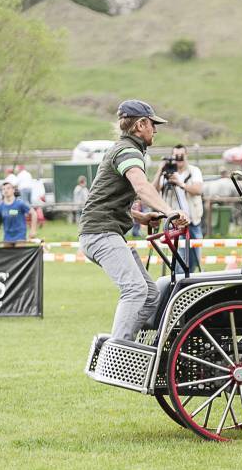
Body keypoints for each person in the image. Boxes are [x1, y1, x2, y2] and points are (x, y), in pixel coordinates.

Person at [78, 100, 190, 341]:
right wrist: (170, 211)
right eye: (152, 124)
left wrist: (140, 217)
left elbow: (105, 201)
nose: (155, 130)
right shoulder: (128, 151)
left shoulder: (123, 149)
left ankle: (131, 348)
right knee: (135, 290)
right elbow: (142, 187)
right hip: (101, 234)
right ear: (140, 124)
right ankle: (117, 353)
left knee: (150, 295)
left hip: (101, 230)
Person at [155, 144, 204, 272]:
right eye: (176, 156)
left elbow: (198, 190)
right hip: (175, 223)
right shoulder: (167, 173)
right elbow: (154, 191)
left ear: (186, 155)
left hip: (193, 220)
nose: (179, 159)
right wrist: (160, 171)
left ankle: (190, 283)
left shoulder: (194, 171)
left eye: (181, 156)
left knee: (194, 258)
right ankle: (179, 283)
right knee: (179, 259)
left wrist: (180, 184)